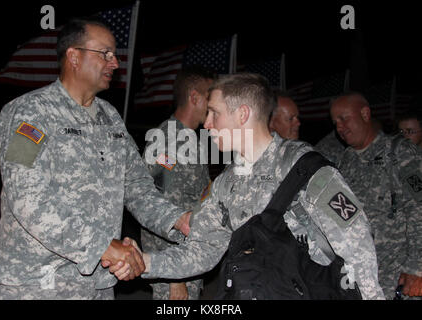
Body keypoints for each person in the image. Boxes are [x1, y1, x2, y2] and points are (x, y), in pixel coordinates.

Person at [109, 73, 385, 300]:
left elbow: (358, 249)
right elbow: (202, 250)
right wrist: (144, 262)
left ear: (242, 114)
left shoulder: (305, 169)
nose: (206, 124)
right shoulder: (227, 184)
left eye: (214, 114)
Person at [0, 18, 190, 300]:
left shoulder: (111, 118)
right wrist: (102, 246)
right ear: (73, 56)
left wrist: (177, 219)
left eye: (115, 55)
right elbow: (26, 197)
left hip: (97, 284)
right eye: (105, 53)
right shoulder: (29, 113)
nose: (115, 63)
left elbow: (138, 187)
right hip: (38, 284)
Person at [330, 92, 422, 299]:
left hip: (399, 277)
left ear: (365, 113)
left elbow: (419, 209)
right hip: (360, 276)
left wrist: (417, 268)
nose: (340, 127)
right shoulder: (344, 162)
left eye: (344, 118)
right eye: (335, 122)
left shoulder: (400, 153)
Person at [141, 66, 214, 300]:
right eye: (210, 98)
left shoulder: (189, 139)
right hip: (175, 269)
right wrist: (174, 278)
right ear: (194, 97)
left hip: (189, 261)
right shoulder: (168, 141)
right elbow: (157, 209)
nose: (214, 106)